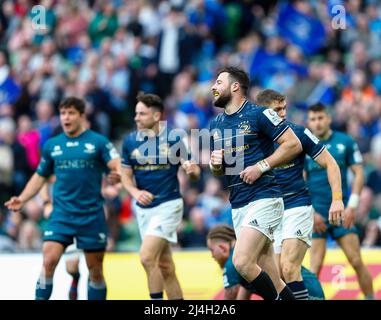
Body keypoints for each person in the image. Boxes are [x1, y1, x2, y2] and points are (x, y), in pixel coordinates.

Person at [4, 97, 120, 300]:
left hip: (90, 215)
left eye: (71, 113)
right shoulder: (52, 146)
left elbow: (119, 166)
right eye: (63, 113)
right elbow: (40, 176)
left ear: (82, 116)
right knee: (48, 261)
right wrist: (22, 199)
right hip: (62, 215)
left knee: (95, 270)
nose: (66, 117)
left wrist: (117, 180)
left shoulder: (98, 143)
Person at [209, 66, 303, 300]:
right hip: (238, 204)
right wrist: (215, 165)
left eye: (219, 82)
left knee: (241, 262)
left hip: (264, 198)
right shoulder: (215, 125)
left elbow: (293, 144)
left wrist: (261, 166)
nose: (213, 87)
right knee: (274, 279)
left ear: (235, 86)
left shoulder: (259, 114)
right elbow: (219, 172)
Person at [255, 89, 344, 299]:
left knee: (288, 267)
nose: (283, 113)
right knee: (275, 274)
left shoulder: (299, 133)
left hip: (297, 206)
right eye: (277, 110)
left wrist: (337, 199)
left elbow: (331, 164)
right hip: (271, 210)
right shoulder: (254, 141)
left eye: (284, 108)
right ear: (263, 112)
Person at [120, 92, 201, 300]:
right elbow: (125, 177)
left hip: (168, 204)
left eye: (142, 114)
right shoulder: (130, 141)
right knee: (165, 265)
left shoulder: (174, 138)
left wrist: (191, 170)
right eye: (136, 113)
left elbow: (194, 173)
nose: (136, 118)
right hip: (143, 208)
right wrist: (135, 192)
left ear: (156, 116)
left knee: (147, 257)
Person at [305, 102, 374, 299]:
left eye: (320, 118)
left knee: (356, 260)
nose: (317, 123)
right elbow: (299, 182)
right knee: (314, 267)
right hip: (316, 213)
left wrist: (352, 205)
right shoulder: (304, 145)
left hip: (342, 212)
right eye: (313, 119)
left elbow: (359, 173)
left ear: (328, 118)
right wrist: (311, 213)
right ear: (309, 121)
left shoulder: (346, 141)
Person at [207, 224, 325, 300]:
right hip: (312, 287)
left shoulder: (233, 262)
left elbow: (230, 297)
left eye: (212, 250)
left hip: (303, 292)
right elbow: (245, 292)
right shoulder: (245, 259)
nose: (212, 256)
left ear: (223, 247)